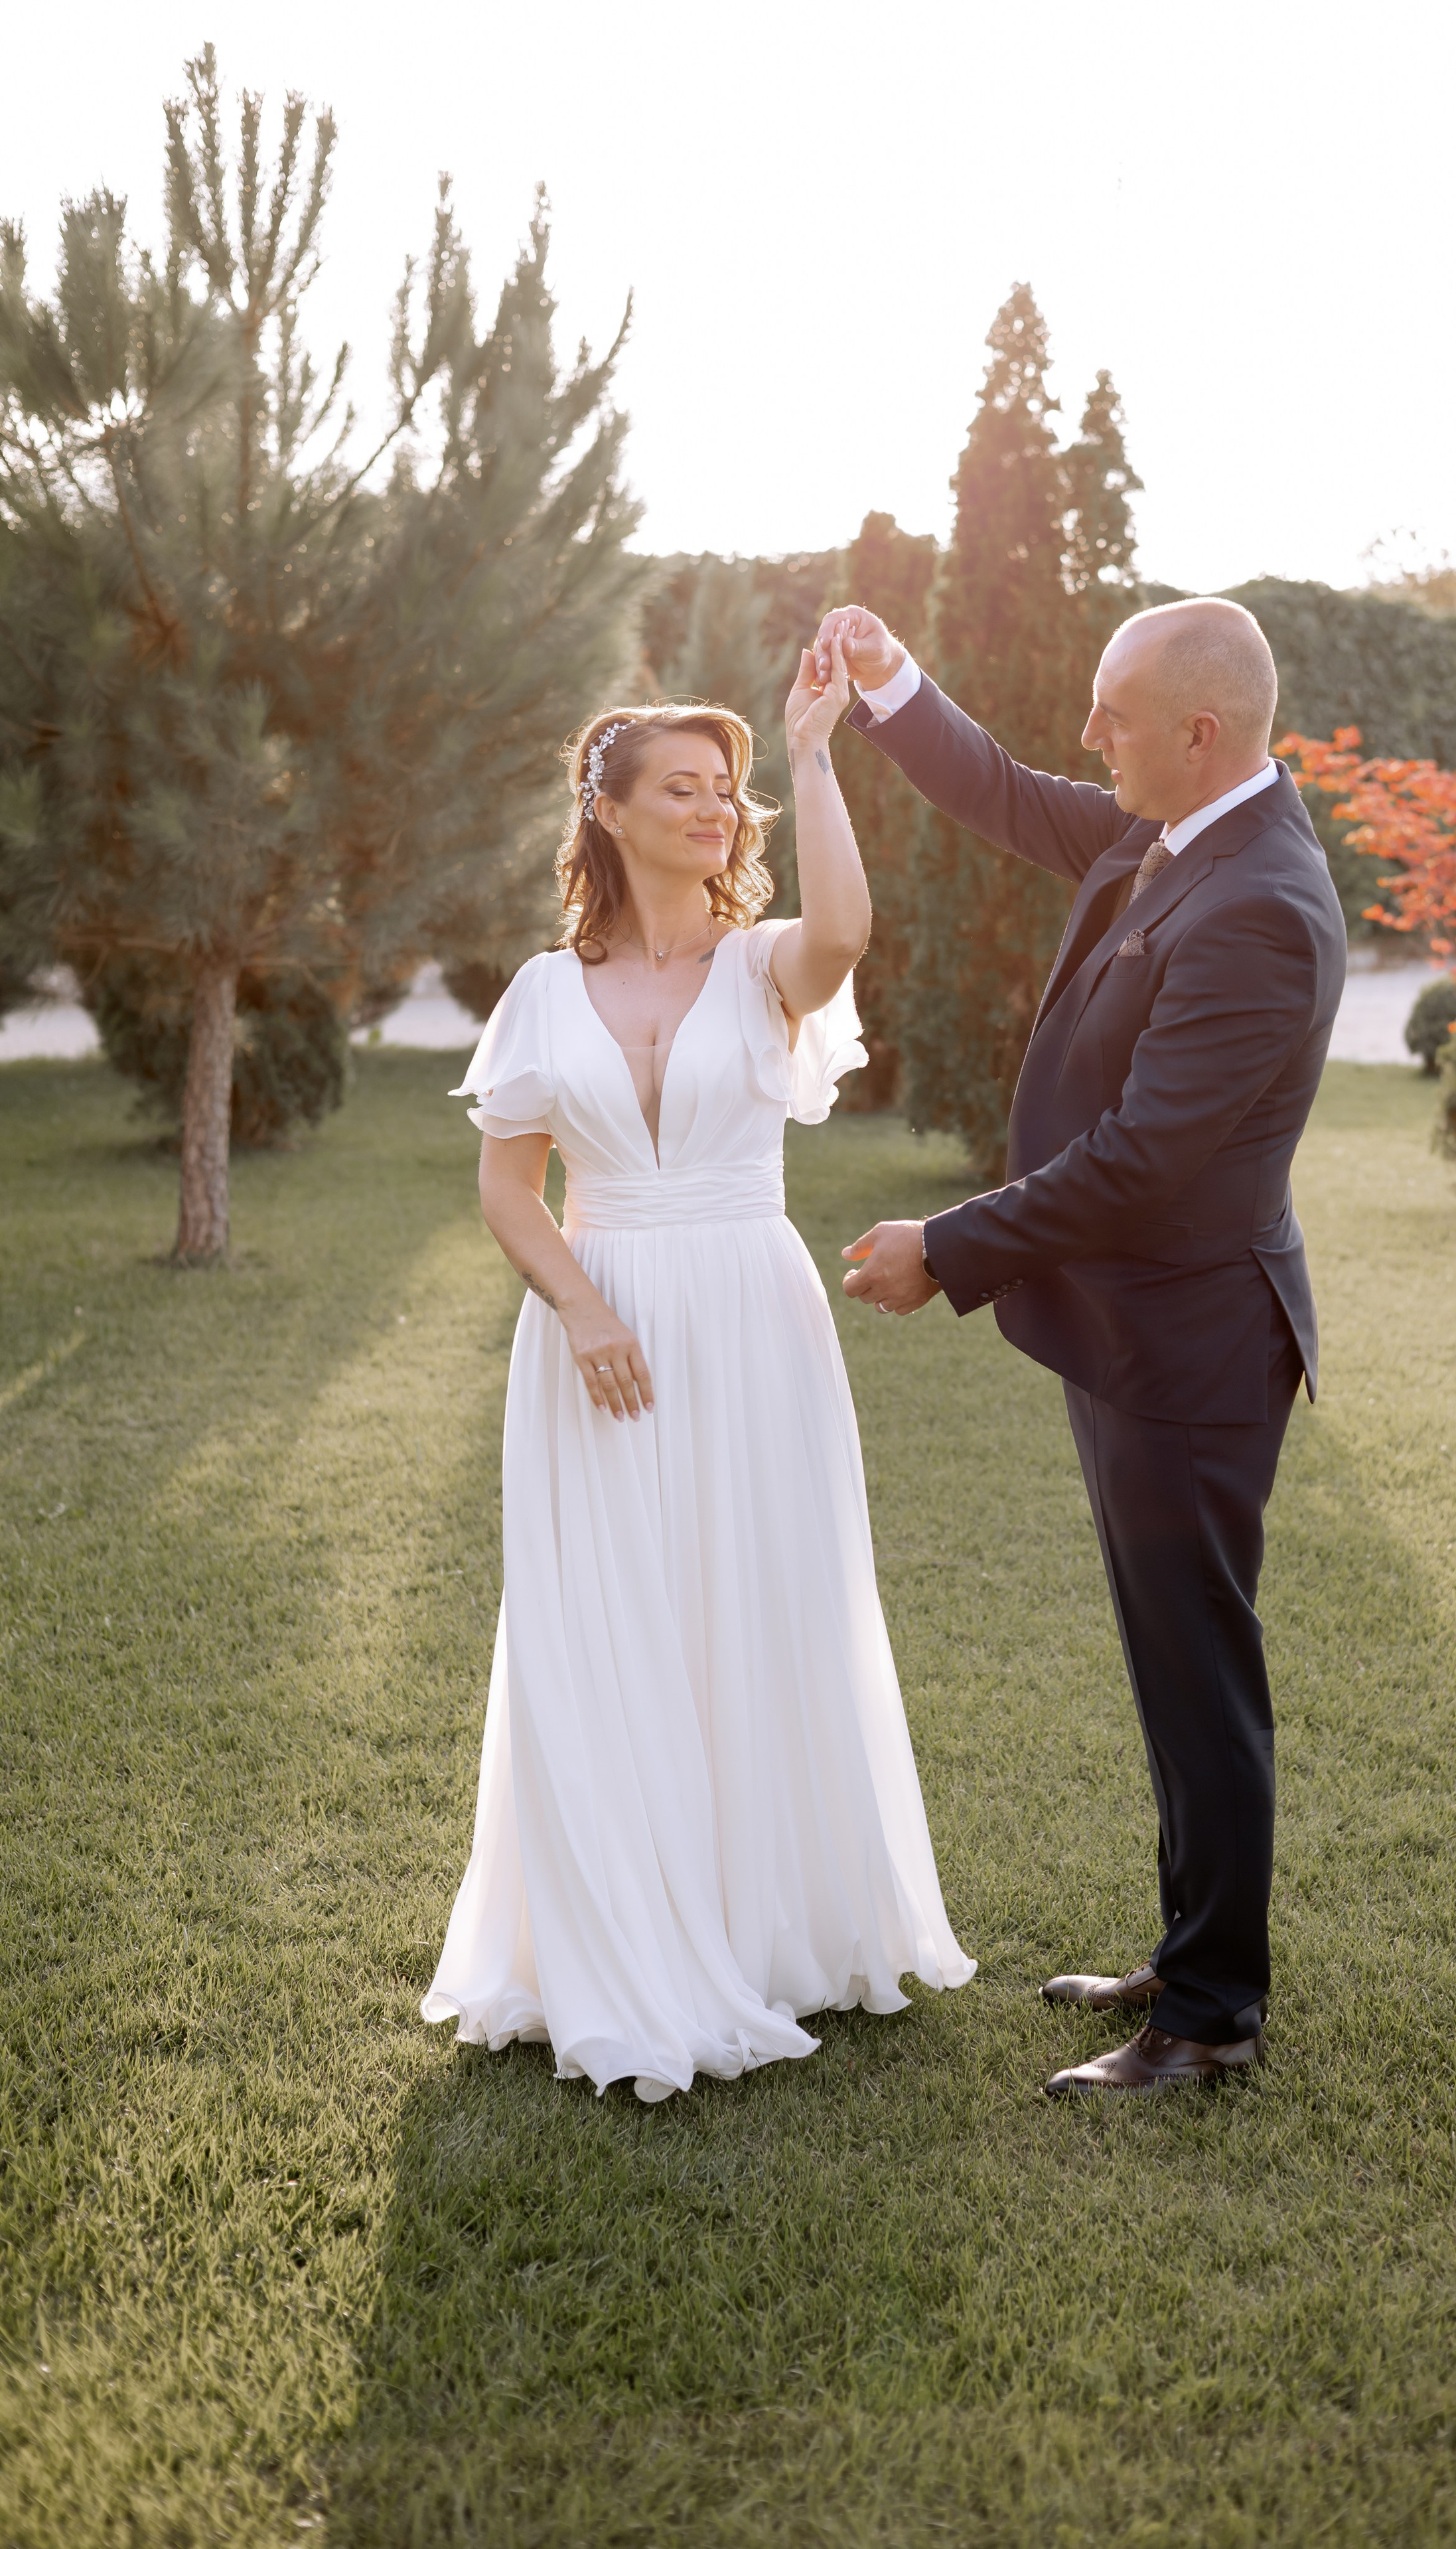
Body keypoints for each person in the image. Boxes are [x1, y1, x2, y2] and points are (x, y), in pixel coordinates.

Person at [421, 637, 975, 2102]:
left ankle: (765, 1927)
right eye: (685, 788)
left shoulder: (760, 964)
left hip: (750, 1314)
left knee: (758, 1599)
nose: (713, 813)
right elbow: (506, 1191)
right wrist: (581, 1308)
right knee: (605, 1623)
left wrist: (809, 754)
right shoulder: (543, 991)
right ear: (608, 809)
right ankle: (614, 1933)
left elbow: (847, 932)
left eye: (727, 793)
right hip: (595, 1338)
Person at [815, 595, 1346, 2098]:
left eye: (1111, 713)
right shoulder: (1169, 828)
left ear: (1197, 730)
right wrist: (889, 680)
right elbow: (1003, 790)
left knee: (1198, 1677)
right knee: (1166, 1666)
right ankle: (1188, 1954)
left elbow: (1145, 1160)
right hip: (1137, 1341)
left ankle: (1209, 2018)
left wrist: (949, 1249)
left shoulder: (1259, 902)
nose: (1085, 736)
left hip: (1195, 1353)